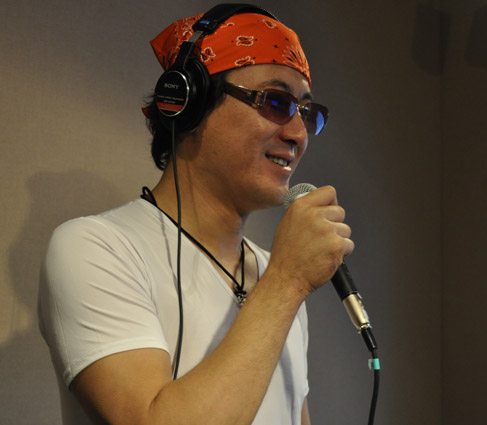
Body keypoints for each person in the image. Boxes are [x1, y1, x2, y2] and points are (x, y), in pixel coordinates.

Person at [38, 4, 353, 425]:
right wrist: (288, 282)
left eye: (307, 113)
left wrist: (283, 282)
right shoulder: (96, 248)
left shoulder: (274, 274)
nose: (298, 134)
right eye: (276, 102)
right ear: (189, 104)